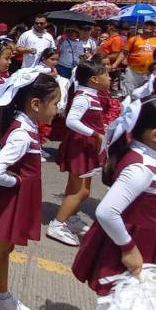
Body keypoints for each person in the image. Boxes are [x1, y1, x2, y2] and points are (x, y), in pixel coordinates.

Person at [72, 96, 156, 294]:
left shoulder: (149, 158)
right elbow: (106, 211)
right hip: (137, 247)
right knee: (124, 304)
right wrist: (129, 249)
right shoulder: (141, 168)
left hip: (146, 241)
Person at [0, 69, 61, 310]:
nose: (58, 110)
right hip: (11, 201)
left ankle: (2, 295)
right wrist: (15, 180)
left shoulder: (28, 127)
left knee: (7, 250)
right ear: (35, 104)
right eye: (55, 103)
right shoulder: (22, 134)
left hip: (19, 200)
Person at [50, 60, 111, 246]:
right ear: (94, 79)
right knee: (82, 191)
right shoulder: (84, 97)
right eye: (106, 74)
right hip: (80, 147)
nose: (109, 78)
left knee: (75, 187)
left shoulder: (92, 95)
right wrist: (96, 134)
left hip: (86, 146)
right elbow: (71, 121)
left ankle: (71, 216)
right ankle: (57, 225)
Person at [114, 20, 156, 95]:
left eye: (151, 25)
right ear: (142, 27)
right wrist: (115, 64)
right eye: (146, 25)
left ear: (155, 28)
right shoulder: (133, 39)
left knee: (146, 94)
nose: (148, 27)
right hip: (133, 71)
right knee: (128, 94)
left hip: (150, 72)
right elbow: (123, 53)